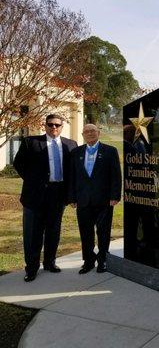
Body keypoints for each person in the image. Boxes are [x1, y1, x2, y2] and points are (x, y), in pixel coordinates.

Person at [13, 114, 78, 282]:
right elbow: (18, 164)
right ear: (45, 125)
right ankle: (32, 268)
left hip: (58, 195)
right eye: (50, 124)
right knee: (33, 233)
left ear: (62, 127)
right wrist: (33, 180)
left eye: (57, 125)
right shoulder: (31, 142)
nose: (54, 128)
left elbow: (73, 171)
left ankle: (49, 262)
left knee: (53, 231)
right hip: (35, 196)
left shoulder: (70, 145)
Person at [69, 124, 121, 274]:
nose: (90, 133)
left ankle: (103, 260)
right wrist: (72, 197)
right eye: (86, 131)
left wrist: (114, 196)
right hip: (83, 200)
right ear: (82, 134)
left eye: (93, 131)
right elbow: (72, 176)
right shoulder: (76, 152)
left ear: (99, 133)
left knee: (103, 232)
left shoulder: (110, 151)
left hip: (104, 200)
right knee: (85, 233)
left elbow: (116, 175)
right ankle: (88, 261)